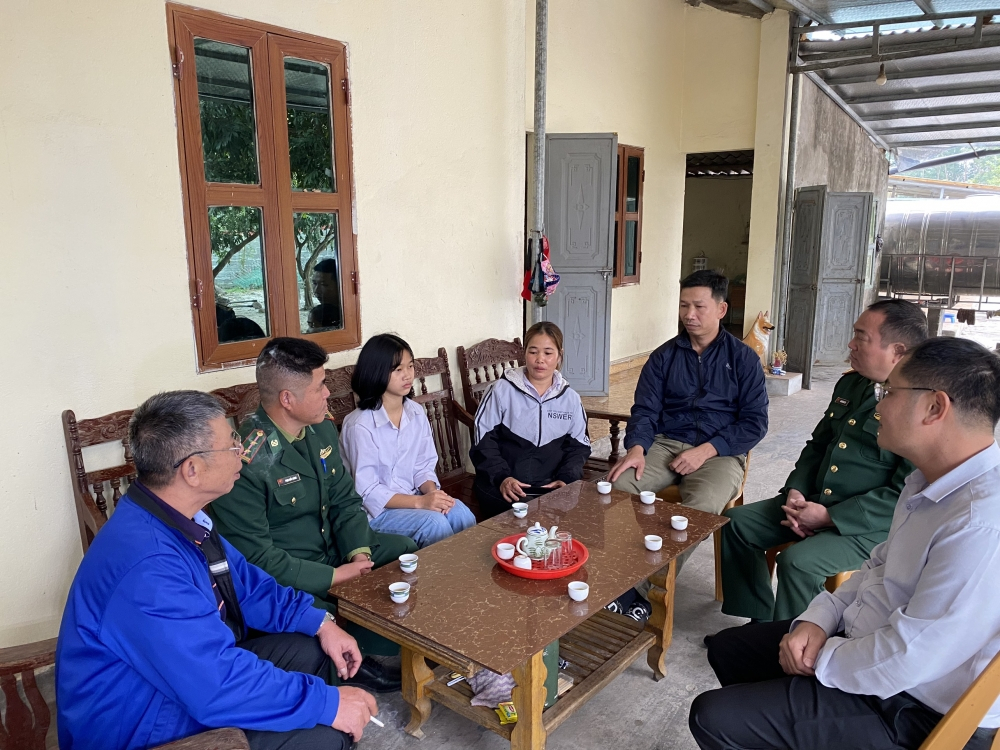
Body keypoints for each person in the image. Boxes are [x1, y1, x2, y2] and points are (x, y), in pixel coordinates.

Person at [691, 337, 1000, 750]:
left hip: (914, 707)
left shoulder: (980, 523)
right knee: (730, 650)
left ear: (934, 407)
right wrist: (819, 620)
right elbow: (878, 566)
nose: (878, 406)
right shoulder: (927, 480)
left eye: (888, 393)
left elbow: (911, 657)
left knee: (712, 716)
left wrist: (821, 659)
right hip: (872, 644)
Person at [56, 391, 378, 750]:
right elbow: (214, 683)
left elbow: (249, 588)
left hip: (179, 684)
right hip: (141, 724)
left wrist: (320, 622)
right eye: (231, 445)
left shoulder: (182, 520)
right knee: (324, 735)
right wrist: (327, 705)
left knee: (313, 650)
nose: (241, 452)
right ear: (192, 470)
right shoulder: (147, 568)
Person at [209, 337, 417, 693]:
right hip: (290, 571)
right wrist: (335, 575)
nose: (328, 394)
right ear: (287, 399)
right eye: (320, 386)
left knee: (403, 550)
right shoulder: (246, 462)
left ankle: (396, 642)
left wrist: (359, 553)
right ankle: (358, 665)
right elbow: (257, 560)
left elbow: (344, 500)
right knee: (319, 607)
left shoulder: (319, 428)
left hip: (335, 548)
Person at [719, 299, 927, 622]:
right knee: (737, 524)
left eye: (861, 337)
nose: (850, 343)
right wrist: (796, 492)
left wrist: (829, 517)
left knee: (798, 563)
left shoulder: (920, 409)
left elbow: (903, 496)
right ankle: (759, 622)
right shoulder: (851, 384)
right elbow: (818, 446)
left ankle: (798, 641)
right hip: (814, 502)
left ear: (897, 351)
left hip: (864, 526)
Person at [608, 270, 768, 572]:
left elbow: (754, 422)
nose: (689, 314)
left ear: (721, 309)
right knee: (615, 487)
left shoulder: (744, 360)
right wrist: (638, 448)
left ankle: (649, 588)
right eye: (683, 305)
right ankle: (621, 565)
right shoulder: (663, 357)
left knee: (699, 508)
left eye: (698, 306)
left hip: (720, 452)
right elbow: (644, 410)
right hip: (664, 444)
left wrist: (707, 450)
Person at [340, 333, 477, 547]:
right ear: (376, 372)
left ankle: (467, 575)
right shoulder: (359, 425)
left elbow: (422, 466)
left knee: (460, 513)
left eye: (410, 366)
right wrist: (420, 503)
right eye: (398, 370)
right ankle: (442, 579)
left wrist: (432, 494)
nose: (408, 375)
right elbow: (367, 491)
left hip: (413, 498)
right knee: (434, 524)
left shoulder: (415, 412)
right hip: (376, 513)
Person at [470, 321, 590, 519]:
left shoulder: (570, 398)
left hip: (550, 484)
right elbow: (482, 443)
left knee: (585, 511)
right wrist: (503, 477)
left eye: (548, 353)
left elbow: (578, 447)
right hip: (503, 485)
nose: (540, 359)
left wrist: (566, 479)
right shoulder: (500, 391)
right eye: (533, 351)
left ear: (559, 355)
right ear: (524, 353)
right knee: (532, 516)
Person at [307, 258, 343, 332]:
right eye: (314, 283)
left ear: (339, 286)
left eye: (324, 284)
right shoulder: (319, 312)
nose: (316, 290)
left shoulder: (348, 314)